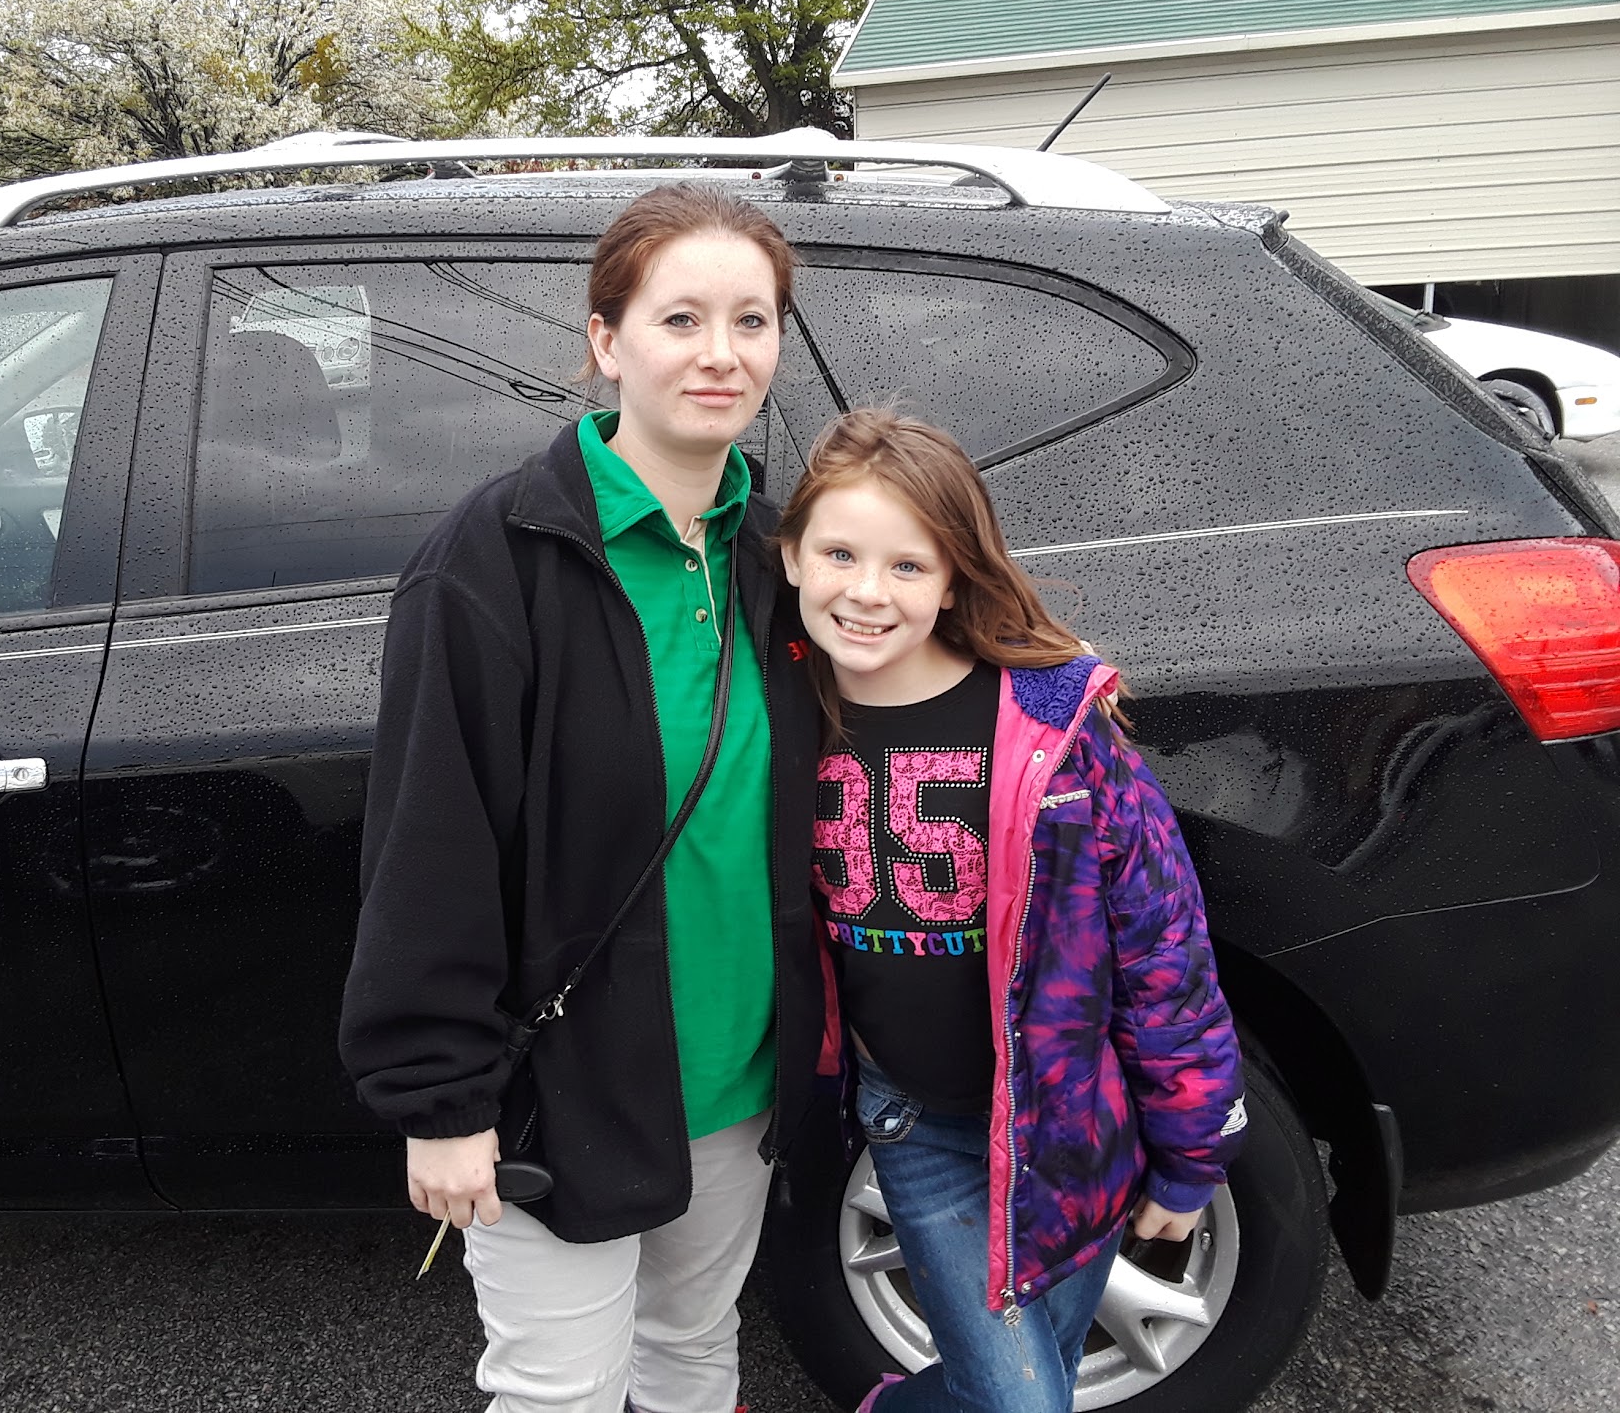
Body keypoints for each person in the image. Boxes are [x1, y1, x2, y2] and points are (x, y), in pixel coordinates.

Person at [338, 184, 825, 1413]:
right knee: (558, 1393)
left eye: (751, 321)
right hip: (560, 1086)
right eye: (679, 319)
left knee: (691, 1354)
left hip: (736, 1082)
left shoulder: (780, 560)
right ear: (605, 341)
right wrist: (439, 1103)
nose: (720, 354)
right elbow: (429, 847)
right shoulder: (495, 559)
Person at [773, 411, 1246, 1413]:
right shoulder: (778, 714)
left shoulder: (1049, 728)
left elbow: (1162, 944)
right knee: (1022, 1403)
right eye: (840, 554)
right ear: (791, 557)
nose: (866, 591)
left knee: (1028, 1389)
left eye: (908, 565)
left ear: (953, 580)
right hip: (914, 1123)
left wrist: (1191, 1150)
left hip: (1070, 1126)